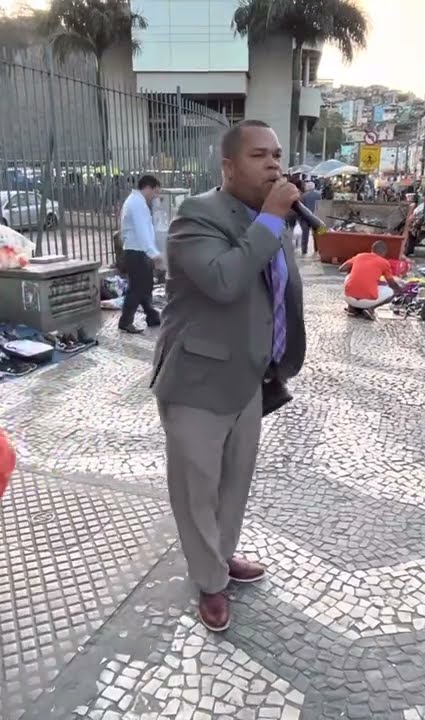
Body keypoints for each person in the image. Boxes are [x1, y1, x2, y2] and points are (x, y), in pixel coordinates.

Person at [152, 119, 306, 633]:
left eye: (277, 155)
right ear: (228, 166)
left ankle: (221, 556)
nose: (274, 166)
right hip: (197, 380)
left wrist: (281, 358)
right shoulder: (196, 215)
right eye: (260, 156)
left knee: (234, 484)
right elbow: (224, 280)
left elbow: (279, 290)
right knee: (197, 492)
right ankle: (210, 583)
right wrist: (269, 221)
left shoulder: (272, 218)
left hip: (250, 379)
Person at [118, 174, 162, 334]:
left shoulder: (136, 201)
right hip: (137, 251)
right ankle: (125, 321)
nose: (155, 197)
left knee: (145, 286)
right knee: (137, 288)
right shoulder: (137, 204)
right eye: (155, 192)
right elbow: (142, 231)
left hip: (138, 250)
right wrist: (153, 253)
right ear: (148, 188)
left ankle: (152, 316)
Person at [339, 240, 403, 320]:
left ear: (372, 249)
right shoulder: (384, 262)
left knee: (349, 276)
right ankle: (370, 309)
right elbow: (391, 283)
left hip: (349, 298)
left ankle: (352, 308)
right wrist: (401, 291)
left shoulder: (360, 256)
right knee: (391, 291)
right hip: (368, 301)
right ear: (384, 253)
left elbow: (341, 269)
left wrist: (356, 268)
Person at [298, 180, 322, 255]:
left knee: (305, 235)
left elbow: (300, 208)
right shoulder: (319, 195)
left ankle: (304, 250)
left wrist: (299, 218)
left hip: (305, 218)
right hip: (316, 217)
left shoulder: (303, 196)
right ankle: (317, 249)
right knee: (316, 235)